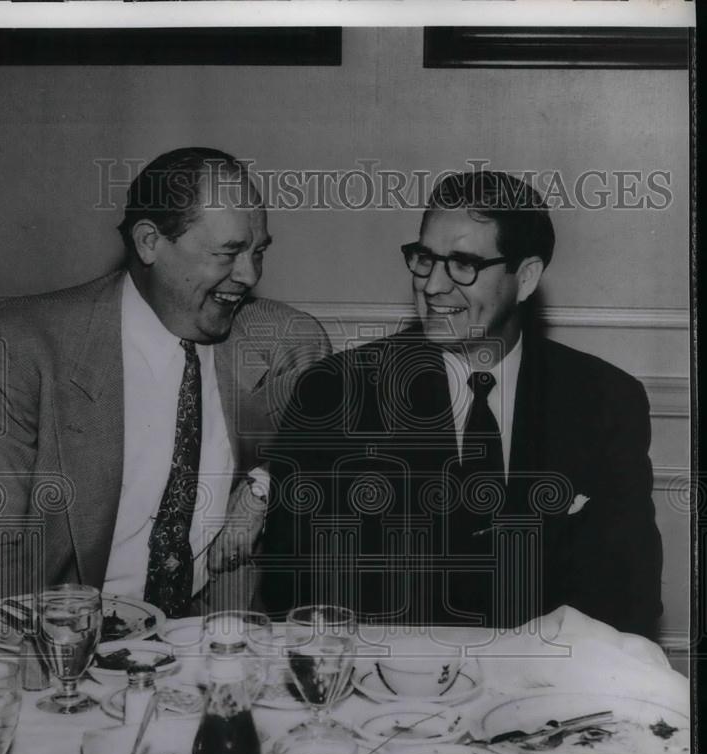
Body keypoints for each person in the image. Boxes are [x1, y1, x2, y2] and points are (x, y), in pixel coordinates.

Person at [262, 170, 663, 638]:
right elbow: (291, 583)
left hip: (547, 688)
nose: (432, 286)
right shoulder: (336, 391)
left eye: (463, 264)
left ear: (527, 277)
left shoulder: (606, 400)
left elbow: (631, 593)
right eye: (425, 259)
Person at [0, 147, 331, 615]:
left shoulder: (285, 341)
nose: (248, 275)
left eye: (258, 252)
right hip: (59, 638)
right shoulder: (17, 346)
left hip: (213, 642)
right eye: (228, 252)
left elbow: (322, 453)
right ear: (149, 242)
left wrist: (260, 489)